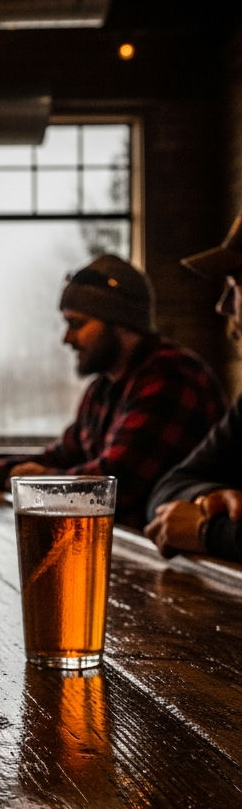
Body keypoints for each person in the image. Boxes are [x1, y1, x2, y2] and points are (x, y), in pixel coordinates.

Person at [0, 254, 226, 529]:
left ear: (121, 323)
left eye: (77, 324)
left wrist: (38, 481)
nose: (67, 338)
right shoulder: (104, 388)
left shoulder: (170, 378)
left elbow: (113, 484)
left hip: (186, 570)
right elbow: (62, 455)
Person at [145, 214, 242, 560]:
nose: (223, 306)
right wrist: (210, 497)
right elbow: (167, 489)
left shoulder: (168, 374)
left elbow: (116, 484)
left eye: (236, 285)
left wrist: (206, 531)